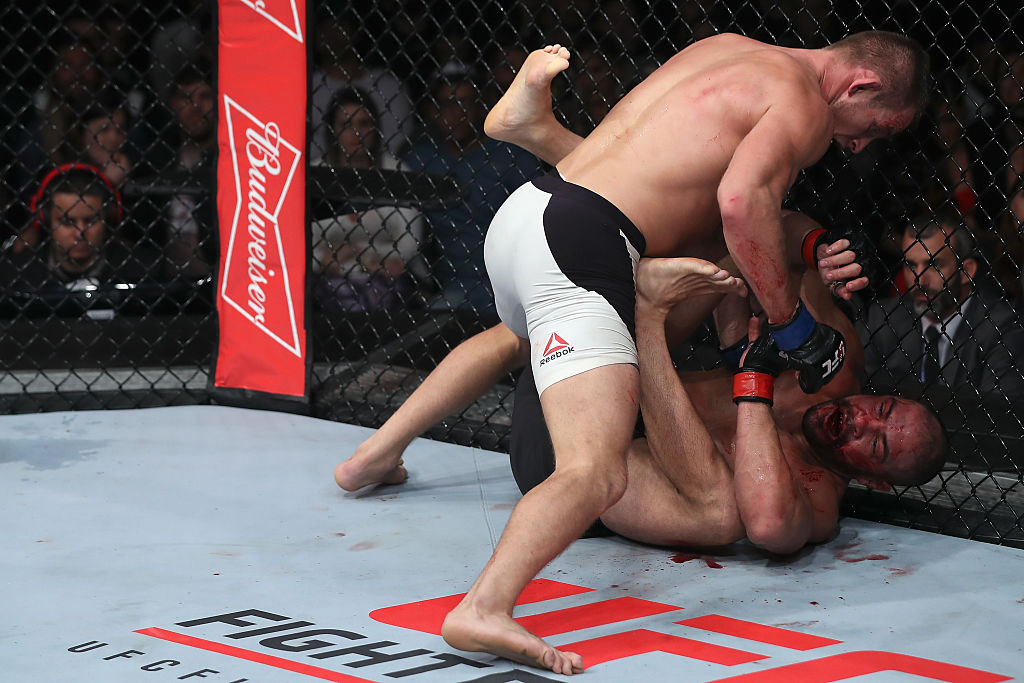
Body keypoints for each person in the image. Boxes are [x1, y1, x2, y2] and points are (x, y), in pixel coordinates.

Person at [343, 36, 930, 674]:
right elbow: (743, 204)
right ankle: (484, 607)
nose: (862, 145)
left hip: (532, 210)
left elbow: (692, 185)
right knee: (594, 471)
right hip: (585, 245)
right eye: (876, 128)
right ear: (862, 85)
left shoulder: (731, 47)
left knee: (541, 325)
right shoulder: (807, 107)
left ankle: (371, 457)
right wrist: (788, 324)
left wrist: (806, 251)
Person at [402, 64, 543, 312]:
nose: (456, 113)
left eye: (465, 103)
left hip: (510, 285)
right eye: (447, 104)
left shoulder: (511, 157)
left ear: (480, 107)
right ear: (432, 111)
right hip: (444, 285)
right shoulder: (420, 161)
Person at [857, 212, 1024, 400]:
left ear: (965, 271)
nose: (919, 280)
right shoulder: (882, 318)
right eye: (911, 265)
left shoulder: (1002, 328)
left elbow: (999, 415)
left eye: (934, 265)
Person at [311, 86, 426, 311]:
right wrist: (320, 262)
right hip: (328, 280)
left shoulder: (396, 172)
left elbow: (411, 240)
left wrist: (359, 251)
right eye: (346, 125)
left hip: (385, 279)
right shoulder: (316, 175)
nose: (356, 133)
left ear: (375, 128)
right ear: (332, 130)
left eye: (363, 124)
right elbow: (300, 242)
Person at [0, 165, 157, 315]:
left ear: (109, 218)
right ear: (45, 220)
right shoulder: (15, 277)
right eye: (67, 222)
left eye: (90, 221)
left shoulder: (141, 270)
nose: (80, 232)